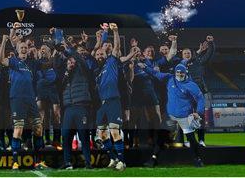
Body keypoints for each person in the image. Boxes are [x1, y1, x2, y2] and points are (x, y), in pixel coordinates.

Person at [139, 63, 205, 167]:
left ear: (185, 72)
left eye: (181, 72)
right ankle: (153, 159)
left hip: (185, 116)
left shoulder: (191, 85)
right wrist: (145, 67)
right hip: (170, 116)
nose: (179, 74)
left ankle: (197, 159)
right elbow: (156, 73)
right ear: (174, 72)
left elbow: (200, 98)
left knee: (191, 139)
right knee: (161, 137)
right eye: (177, 72)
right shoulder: (170, 78)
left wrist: (198, 112)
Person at [0, 30, 47, 170]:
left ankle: (38, 161)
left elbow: (43, 59)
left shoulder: (32, 63)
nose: (24, 49)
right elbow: (0, 60)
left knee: (38, 128)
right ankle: (15, 162)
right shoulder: (13, 61)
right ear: (17, 50)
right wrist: (3, 41)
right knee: (18, 129)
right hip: (17, 98)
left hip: (31, 98)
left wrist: (36, 47)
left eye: (26, 47)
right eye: (22, 47)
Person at [93, 23, 136, 171]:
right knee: (103, 134)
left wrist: (115, 31)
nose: (99, 56)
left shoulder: (111, 61)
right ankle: (113, 158)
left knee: (115, 132)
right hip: (103, 104)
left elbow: (116, 47)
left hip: (113, 101)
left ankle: (122, 162)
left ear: (106, 54)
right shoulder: (97, 72)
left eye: (101, 54)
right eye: (97, 54)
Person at [56, 28, 94, 170]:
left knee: (83, 136)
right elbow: (59, 87)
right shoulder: (65, 74)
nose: (71, 63)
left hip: (81, 106)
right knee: (66, 136)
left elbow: (76, 56)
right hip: (68, 108)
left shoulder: (83, 68)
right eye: (69, 61)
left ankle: (88, 163)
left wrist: (67, 45)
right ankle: (67, 163)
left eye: (73, 61)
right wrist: (66, 72)